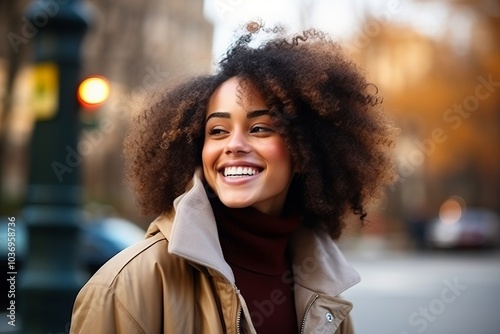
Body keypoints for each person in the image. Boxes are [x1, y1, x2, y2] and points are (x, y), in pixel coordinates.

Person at [70, 22, 398, 334]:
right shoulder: (125, 288)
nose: (234, 146)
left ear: (305, 149)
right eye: (217, 131)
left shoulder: (328, 292)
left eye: (259, 128)